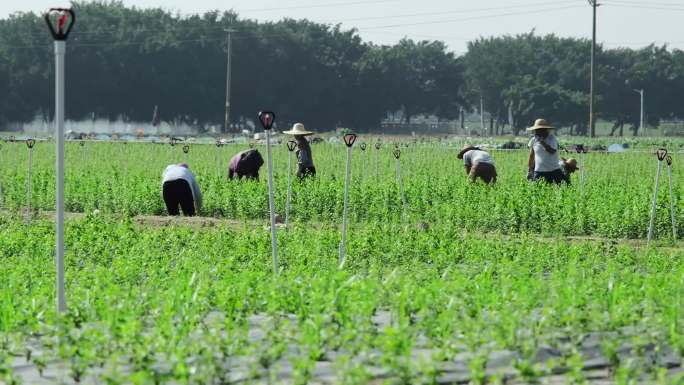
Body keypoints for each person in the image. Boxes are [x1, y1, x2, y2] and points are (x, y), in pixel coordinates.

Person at [527, 119, 565, 184]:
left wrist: (542, 142)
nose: (536, 132)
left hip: (553, 171)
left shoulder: (552, 138)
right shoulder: (534, 140)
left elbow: (552, 151)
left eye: (539, 130)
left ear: (545, 130)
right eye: (536, 130)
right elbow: (531, 156)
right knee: (538, 190)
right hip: (539, 171)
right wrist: (530, 170)